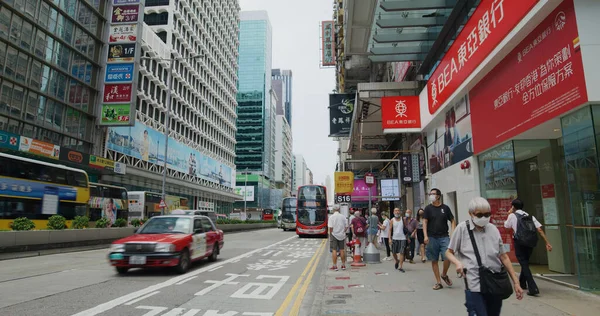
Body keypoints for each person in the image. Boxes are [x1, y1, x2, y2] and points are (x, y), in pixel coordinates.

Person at [446, 197, 523, 316]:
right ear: (470, 214)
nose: (484, 218)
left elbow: (504, 257)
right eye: (479, 215)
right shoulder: (462, 229)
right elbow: (449, 252)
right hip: (473, 283)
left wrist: (516, 282)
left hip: (494, 282)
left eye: (487, 214)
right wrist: (457, 263)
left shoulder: (493, 229)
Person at [504, 199, 552, 296]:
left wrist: (508, 214)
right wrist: (547, 242)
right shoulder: (529, 216)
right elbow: (539, 230)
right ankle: (522, 283)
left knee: (524, 264)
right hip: (530, 243)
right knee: (525, 262)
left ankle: (532, 287)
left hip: (519, 242)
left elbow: (506, 226)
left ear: (513, 207)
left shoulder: (512, 216)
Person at [423, 188, 456, 290]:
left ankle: (444, 274)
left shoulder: (445, 208)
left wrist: (453, 232)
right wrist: (425, 235)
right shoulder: (428, 208)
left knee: (448, 256)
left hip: (444, 236)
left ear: (438, 196)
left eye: (433, 194)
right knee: (434, 260)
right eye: (430, 194)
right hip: (432, 237)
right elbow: (425, 222)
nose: (431, 195)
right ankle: (438, 282)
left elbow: (452, 220)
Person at [328, 204, 348, 271]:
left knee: (334, 250)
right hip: (342, 235)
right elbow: (346, 226)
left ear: (333, 210)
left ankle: (335, 266)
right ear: (339, 209)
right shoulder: (343, 217)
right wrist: (343, 231)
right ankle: (343, 265)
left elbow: (330, 228)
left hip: (334, 234)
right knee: (342, 250)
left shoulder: (331, 217)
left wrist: (331, 234)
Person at [389, 208, 407, 272]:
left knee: (402, 252)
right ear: (393, 212)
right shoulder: (392, 220)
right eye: (396, 211)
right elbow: (390, 229)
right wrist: (389, 239)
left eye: (398, 210)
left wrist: (407, 237)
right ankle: (397, 260)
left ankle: (401, 266)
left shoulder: (403, 219)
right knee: (394, 252)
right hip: (395, 238)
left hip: (402, 238)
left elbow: (406, 228)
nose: (397, 212)